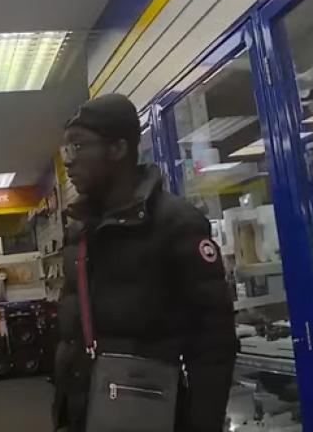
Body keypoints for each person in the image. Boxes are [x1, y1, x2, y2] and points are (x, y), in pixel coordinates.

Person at [53, 93, 236, 432]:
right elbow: (74, 334)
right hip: (87, 415)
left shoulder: (177, 224)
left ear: (118, 149)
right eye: (65, 150)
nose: (68, 161)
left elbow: (213, 344)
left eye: (78, 147)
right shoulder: (79, 232)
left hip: (152, 415)